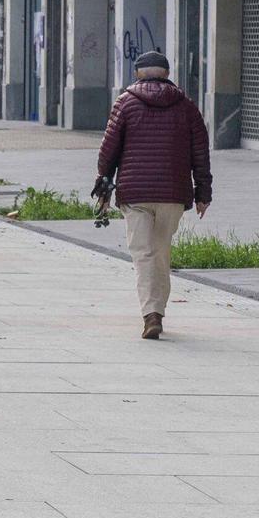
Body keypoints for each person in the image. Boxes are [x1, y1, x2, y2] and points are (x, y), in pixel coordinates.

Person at [93, 50, 212, 341]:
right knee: (160, 253)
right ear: (167, 73)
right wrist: (203, 193)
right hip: (173, 192)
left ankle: (151, 314)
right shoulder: (187, 106)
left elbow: (108, 150)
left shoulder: (125, 102)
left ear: (137, 73)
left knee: (143, 254)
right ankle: (156, 311)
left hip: (135, 192)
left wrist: (103, 187)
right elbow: (200, 153)